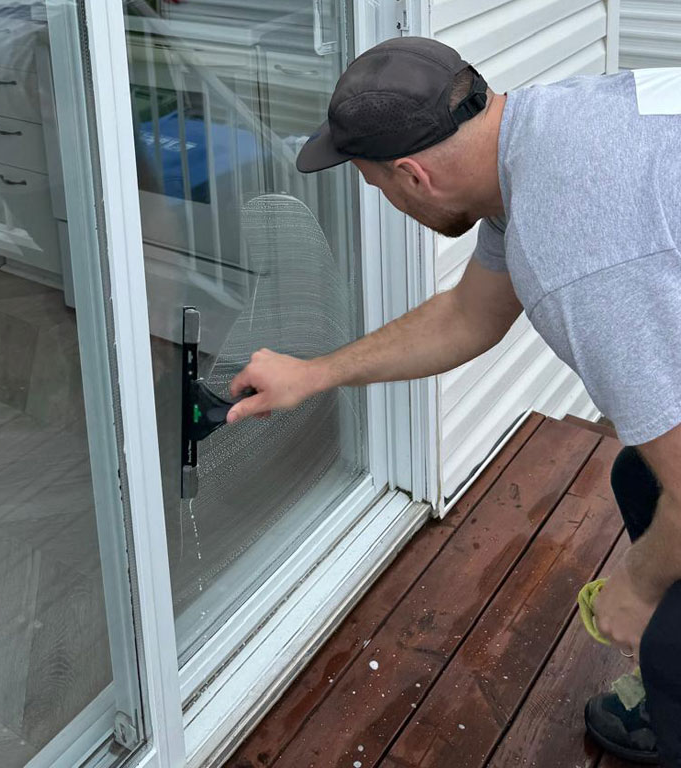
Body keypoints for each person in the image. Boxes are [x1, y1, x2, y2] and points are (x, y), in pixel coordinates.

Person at [225, 37, 681, 766]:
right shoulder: (536, 135)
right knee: (640, 477)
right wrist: (316, 373)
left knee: (662, 611)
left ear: (412, 175)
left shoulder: (580, 252)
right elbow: (468, 316)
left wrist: (634, 588)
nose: (383, 200)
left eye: (375, 187)